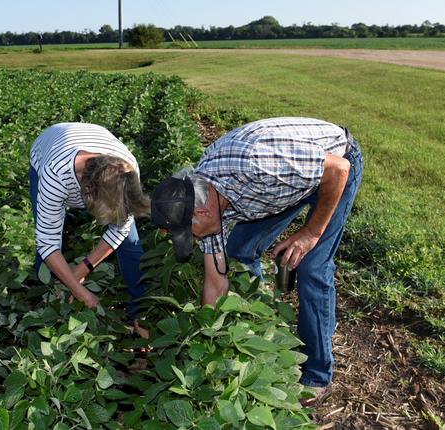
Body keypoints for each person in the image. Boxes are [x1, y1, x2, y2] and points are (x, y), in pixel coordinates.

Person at [150, 117, 363, 405]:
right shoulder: (207, 205)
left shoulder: (255, 164)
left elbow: (338, 170)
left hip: (334, 169)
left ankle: (317, 375)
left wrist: (310, 232)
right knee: (239, 249)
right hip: (278, 189)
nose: (194, 239)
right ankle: (262, 322)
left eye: (189, 234)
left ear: (201, 214)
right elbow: (215, 282)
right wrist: (208, 339)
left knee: (313, 267)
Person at [29, 122, 150, 336]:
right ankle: (46, 313)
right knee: (46, 254)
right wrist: (82, 293)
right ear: (87, 195)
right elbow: (48, 242)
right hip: (48, 148)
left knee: (131, 245)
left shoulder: (127, 168)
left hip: (97, 137)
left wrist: (83, 268)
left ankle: (139, 313)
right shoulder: (54, 175)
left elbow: (120, 230)